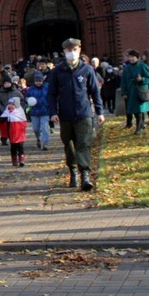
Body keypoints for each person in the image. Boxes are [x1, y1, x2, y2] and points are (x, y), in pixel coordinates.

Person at [46, 38, 105, 190]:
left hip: (84, 113)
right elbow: (51, 94)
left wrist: (99, 111)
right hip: (65, 115)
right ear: (64, 52)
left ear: (79, 50)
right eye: (68, 50)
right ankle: (73, 172)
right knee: (69, 145)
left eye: (75, 50)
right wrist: (52, 112)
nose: (72, 53)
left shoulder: (87, 70)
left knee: (84, 143)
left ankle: (84, 174)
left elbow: (94, 91)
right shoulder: (57, 72)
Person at [120, 49, 149, 135]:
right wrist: (124, 92)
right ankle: (141, 125)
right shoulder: (126, 68)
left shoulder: (143, 66)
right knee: (134, 110)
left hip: (141, 91)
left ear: (137, 58)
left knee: (139, 110)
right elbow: (123, 81)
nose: (131, 59)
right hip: (131, 92)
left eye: (133, 57)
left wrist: (142, 79)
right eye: (130, 57)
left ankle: (139, 127)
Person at [24, 71, 51, 150]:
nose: (38, 83)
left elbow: (51, 97)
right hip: (34, 112)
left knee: (44, 128)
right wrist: (28, 100)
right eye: (37, 81)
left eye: (40, 81)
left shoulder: (47, 88)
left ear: (42, 81)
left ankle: (45, 143)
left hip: (45, 111)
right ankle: (38, 138)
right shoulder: (31, 89)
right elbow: (25, 97)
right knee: (36, 129)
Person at [2, 98, 28, 166]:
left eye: (13, 104)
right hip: (11, 133)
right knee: (13, 146)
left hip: (19, 133)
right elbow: (3, 120)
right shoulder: (7, 112)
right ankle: (14, 159)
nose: (10, 106)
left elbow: (24, 122)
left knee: (20, 146)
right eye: (9, 104)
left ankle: (21, 159)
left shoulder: (20, 112)